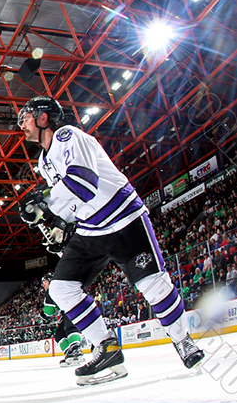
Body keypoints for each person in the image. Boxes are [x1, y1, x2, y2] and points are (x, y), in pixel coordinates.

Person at [17, 95, 204, 385]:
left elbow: (83, 183)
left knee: (153, 285)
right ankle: (108, 349)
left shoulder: (68, 136)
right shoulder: (44, 160)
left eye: (26, 116)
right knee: (62, 289)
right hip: (91, 228)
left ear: (44, 118)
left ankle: (183, 340)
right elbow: (71, 201)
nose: (22, 124)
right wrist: (58, 227)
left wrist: (44, 202)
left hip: (123, 219)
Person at [41, 272, 84, 367]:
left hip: (71, 308)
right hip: (70, 309)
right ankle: (70, 353)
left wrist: (44, 316)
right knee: (59, 334)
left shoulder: (52, 288)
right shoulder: (60, 285)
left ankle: (76, 350)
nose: (43, 285)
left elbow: (49, 311)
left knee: (71, 329)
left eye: (44, 282)